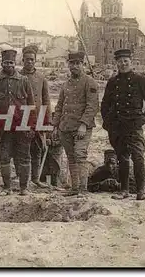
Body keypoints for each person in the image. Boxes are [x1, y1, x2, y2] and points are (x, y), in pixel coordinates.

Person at [101, 49, 145, 200]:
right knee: (122, 157)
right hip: (117, 126)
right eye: (120, 61)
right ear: (116, 63)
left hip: (134, 125)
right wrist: (107, 122)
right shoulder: (113, 82)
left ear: (131, 62)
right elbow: (105, 104)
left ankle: (141, 191)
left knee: (138, 157)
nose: (123, 64)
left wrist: (144, 119)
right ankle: (124, 190)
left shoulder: (139, 80)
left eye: (126, 61)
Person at [0, 49, 36, 196]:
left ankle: (23, 188)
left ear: (15, 64)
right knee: (4, 157)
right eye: (6, 62)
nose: (8, 65)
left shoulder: (23, 80)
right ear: (1, 63)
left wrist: (32, 126)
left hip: (22, 126)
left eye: (11, 63)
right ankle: (7, 187)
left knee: (24, 157)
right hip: (3, 128)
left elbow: (31, 105)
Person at [53, 52, 99, 197]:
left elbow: (92, 106)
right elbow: (60, 106)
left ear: (83, 65)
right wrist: (55, 126)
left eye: (77, 63)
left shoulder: (89, 82)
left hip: (81, 128)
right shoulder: (66, 84)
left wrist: (84, 124)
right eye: (72, 64)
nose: (74, 66)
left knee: (80, 155)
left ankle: (83, 190)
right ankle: (75, 188)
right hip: (65, 127)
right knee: (71, 157)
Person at [19, 45, 51, 189]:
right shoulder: (18, 76)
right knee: (22, 149)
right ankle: (22, 180)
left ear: (36, 60)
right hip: (22, 118)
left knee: (38, 149)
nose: (29, 62)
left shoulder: (41, 78)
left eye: (32, 59)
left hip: (38, 117)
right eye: (27, 59)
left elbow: (46, 100)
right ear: (23, 60)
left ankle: (35, 178)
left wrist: (47, 120)